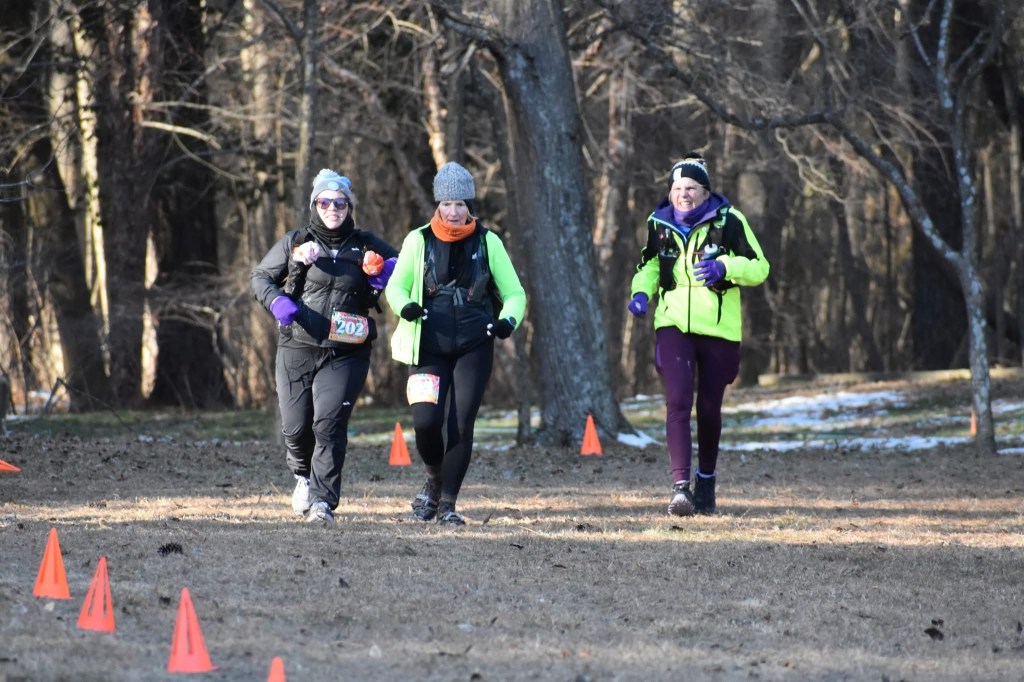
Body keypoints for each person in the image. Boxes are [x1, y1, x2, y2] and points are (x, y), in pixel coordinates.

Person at [252, 169, 398, 523]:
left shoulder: (365, 243)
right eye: (325, 201)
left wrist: (383, 272)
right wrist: (276, 302)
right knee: (296, 427)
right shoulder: (296, 240)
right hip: (297, 345)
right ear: (315, 204)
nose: (333, 208)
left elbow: (404, 266)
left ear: (349, 206)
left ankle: (322, 502)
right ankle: (303, 475)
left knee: (329, 424)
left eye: (340, 202)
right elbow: (260, 277)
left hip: (346, 351)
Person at [385, 162, 526, 526]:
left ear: (469, 205)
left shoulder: (488, 241)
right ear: (437, 204)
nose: (453, 211)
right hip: (428, 345)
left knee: (461, 425)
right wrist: (406, 307)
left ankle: (447, 503)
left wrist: (507, 321)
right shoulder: (418, 240)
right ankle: (433, 479)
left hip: (475, 345)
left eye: (460, 203)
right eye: (447, 203)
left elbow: (514, 293)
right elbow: (395, 287)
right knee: (426, 421)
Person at [628, 152, 769, 517]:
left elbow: (760, 268)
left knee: (708, 408)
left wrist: (726, 266)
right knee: (677, 400)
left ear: (705, 192)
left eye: (691, 187)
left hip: (719, 329)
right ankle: (680, 489)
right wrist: (640, 293)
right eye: (677, 188)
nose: (683, 194)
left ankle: (706, 481)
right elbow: (650, 265)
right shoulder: (658, 223)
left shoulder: (730, 221)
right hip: (673, 323)